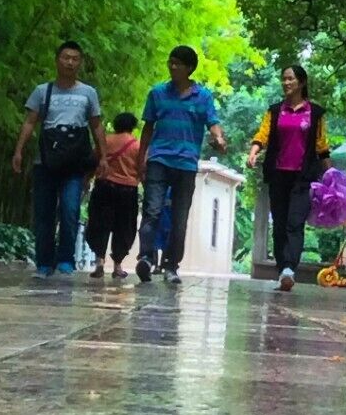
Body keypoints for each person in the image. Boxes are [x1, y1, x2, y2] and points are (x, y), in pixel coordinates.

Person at [12, 40, 104, 277]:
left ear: (80, 62)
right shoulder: (43, 91)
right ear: (57, 60)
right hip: (45, 161)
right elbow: (30, 122)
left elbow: (96, 126)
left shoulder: (88, 93)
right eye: (66, 57)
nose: (70, 62)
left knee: (70, 210)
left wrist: (103, 156)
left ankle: (65, 259)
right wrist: (19, 151)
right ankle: (44, 262)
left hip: (74, 164)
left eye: (75, 58)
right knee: (43, 214)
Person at [135, 45, 226, 285]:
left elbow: (213, 123)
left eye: (178, 63)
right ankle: (145, 257)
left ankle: (171, 265)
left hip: (186, 163)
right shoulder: (157, 93)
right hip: (159, 160)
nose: (173, 67)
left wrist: (218, 138)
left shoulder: (203, 96)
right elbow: (148, 127)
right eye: (170, 62)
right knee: (152, 210)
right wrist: (141, 157)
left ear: (189, 68)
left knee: (179, 217)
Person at [246, 64, 331, 294]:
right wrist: (254, 152)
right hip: (278, 174)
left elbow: (322, 146)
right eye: (283, 79)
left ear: (301, 82)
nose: (286, 83)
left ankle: (289, 270)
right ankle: (282, 267)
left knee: (295, 222)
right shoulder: (275, 111)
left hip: (303, 177)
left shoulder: (315, 113)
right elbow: (262, 134)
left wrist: (330, 175)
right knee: (280, 224)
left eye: (290, 79)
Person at [85, 112, 142, 281]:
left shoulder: (105, 142)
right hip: (128, 191)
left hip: (104, 187)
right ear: (132, 126)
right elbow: (142, 169)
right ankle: (117, 266)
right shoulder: (137, 146)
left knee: (99, 224)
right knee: (124, 229)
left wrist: (86, 180)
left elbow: (92, 161)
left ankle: (99, 263)